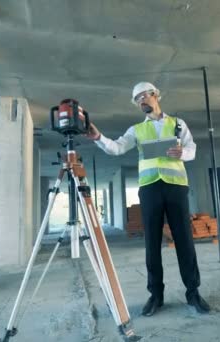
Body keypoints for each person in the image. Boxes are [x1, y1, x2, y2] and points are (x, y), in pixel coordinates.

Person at [85, 82, 210, 316]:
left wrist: (183, 152)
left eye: (144, 96)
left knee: (184, 241)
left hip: (176, 188)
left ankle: (193, 292)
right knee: (152, 243)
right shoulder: (136, 130)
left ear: (155, 96)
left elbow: (192, 148)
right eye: (137, 99)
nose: (141, 101)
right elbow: (117, 148)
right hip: (150, 189)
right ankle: (156, 295)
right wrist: (99, 137)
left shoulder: (178, 124)